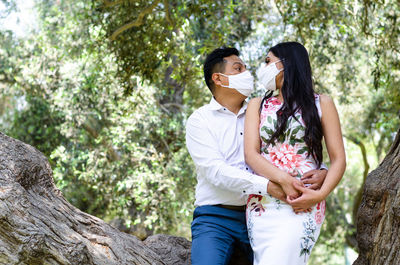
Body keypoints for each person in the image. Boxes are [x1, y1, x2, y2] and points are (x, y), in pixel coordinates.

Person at [186, 47, 328, 265]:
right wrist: (268, 186)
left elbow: (289, 148)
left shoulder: (264, 111)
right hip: (216, 216)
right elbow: (215, 171)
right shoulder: (200, 120)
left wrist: (322, 171)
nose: (248, 74)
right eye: (238, 69)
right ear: (218, 78)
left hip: (264, 211)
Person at [244, 42, 346, 265]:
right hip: (263, 203)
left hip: (304, 202)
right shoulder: (256, 105)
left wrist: (320, 194)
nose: (264, 67)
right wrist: (284, 180)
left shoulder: (322, 103)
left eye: (268, 61)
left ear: (286, 64)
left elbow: (339, 159)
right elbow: (251, 155)